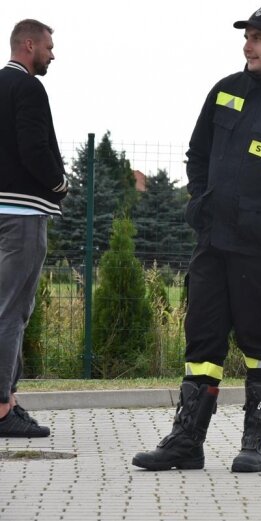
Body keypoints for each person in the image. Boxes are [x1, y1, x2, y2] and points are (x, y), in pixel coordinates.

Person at [132, 5, 261, 473]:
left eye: (259, 37)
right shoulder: (224, 92)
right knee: (201, 343)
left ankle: (257, 442)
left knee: (259, 340)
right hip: (212, 242)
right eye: (247, 36)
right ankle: (187, 442)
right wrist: (199, 201)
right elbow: (197, 153)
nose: (249, 44)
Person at [0, 19, 67, 438]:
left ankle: (9, 399)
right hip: (22, 212)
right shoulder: (28, 88)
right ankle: (4, 408)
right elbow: (34, 147)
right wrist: (59, 183)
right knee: (12, 310)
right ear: (29, 45)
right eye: (48, 47)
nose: (52, 54)